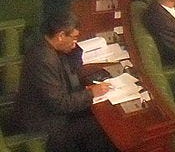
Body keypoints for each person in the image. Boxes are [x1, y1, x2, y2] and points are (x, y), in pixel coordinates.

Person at [10, 13, 117, 152]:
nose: (75, 43)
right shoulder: (44, 60)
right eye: (73, 38)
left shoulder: (45, 45)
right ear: (60, 35)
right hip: (44, 125)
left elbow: (72, 67)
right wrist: (91, 93)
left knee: (96, 115)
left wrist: (86, 91)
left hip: (49, 111)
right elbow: (60, 104)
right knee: (104, 127)